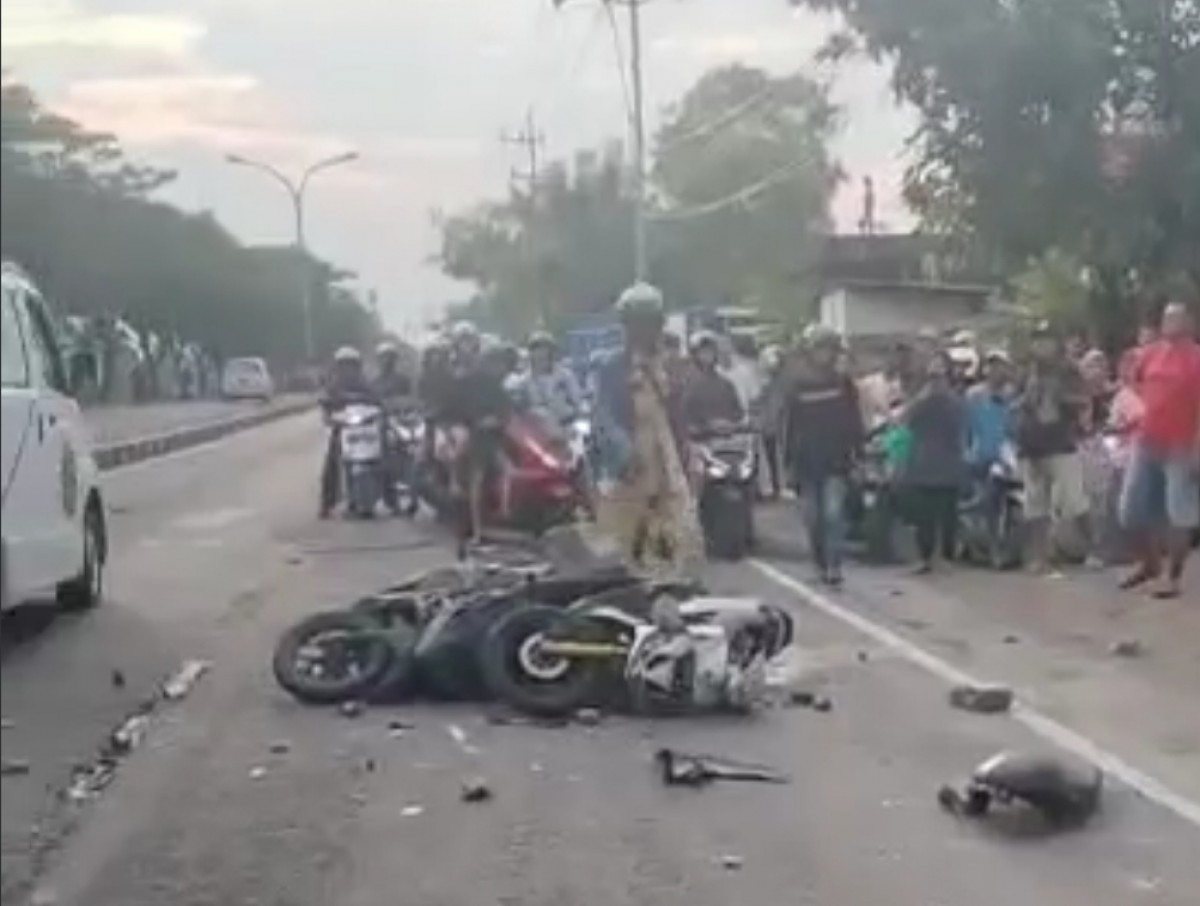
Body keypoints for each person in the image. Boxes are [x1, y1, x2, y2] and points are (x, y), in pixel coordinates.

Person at [592, 282, 702, 578]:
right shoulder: (612, 367)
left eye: (649, 323)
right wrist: (624, 452)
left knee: (678, 535)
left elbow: (682, 412)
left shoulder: (672, 366)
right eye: (635, 325)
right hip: (630, 462)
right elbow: (603, 416)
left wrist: (689, 452)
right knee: (624, 542)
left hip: (669, 458)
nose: (643, 332)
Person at [1118, 301, 1200, 599]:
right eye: (1168, 317)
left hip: (1181, 445)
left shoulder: (1196, 359)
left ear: (1190, 322)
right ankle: (1149, 563)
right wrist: (1146, 407)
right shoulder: (1151, 353)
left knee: (1179, 515)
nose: (1171, 322)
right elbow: (1134, 380)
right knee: (1130, 511)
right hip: (1147, 440)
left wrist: (1197, 448)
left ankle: (1173, 576)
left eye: (1178, 317)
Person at [783, 325, 865, 586]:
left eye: (829, 349)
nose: (825, 354)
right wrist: (788, 464)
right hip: (806, 463)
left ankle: (834, 565)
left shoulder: (843, 384)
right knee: (813, 518)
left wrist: (858, 457)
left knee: (833, 514)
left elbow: (854, 423)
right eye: (820, 348)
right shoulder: (798, 385)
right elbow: (790, 426)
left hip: (836, 462)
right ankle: (820, 561)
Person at [1013, 322, 1090, 572]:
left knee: (1074, 501)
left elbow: (1083, 400)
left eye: (1047, 340)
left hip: (1061, 442)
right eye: (1037, 340)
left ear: (1056, 344)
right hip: (1031, 444)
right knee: (1035, 504)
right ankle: (1040, 557)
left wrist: (1060, 399)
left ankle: (1094, 550)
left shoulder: (1068, 370)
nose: (1042, 345)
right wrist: (1024, 403)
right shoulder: (1026, 371)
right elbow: (1015, 401)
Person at [442, 324, 512, 541]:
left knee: (509, 469)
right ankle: (478, 530)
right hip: (472, 434)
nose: (468, 348)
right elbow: (453, 408)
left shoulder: (490, 380)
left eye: (471, 343)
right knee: (476, 481)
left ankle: (505, 512)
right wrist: (474, 422)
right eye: (464, 343)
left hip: (494, 436)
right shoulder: (454, 376)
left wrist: (497, 419)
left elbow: (505, 406)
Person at [903, 351, 967, 574]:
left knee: (947, 513)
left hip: (947, 463)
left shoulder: (955, 400)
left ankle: (947, 556)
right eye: (933, 376)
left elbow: (959, 425)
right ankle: (925, 557)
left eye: (940, 375)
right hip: (923, 461)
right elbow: (907, 419)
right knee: (924, 516)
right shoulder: (919, 399)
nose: (936, 381)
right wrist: (924, 397)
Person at [318, 346, 377, 518]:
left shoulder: (365, 383)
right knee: (331, 463)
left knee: (384, 454)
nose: (347, 369)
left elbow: (376, 399)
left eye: (350, 365)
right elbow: (325, 402)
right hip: (342, 429)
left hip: (364, 430)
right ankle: (326, 504)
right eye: (343, 365)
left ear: (357, 366)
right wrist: (328, 413)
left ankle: (389, 496)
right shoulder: (333, 385)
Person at [682, 331, 744, 436]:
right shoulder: (688, 385)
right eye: (703, 351)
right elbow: (686, 417)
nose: (708, 355)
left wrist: (728, 422)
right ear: (695, 355)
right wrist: (708, 425)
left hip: (728, 441)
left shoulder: (726, 384)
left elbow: (738, 412)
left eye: (710, 351)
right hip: (701, 443)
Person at [524, 331, 586, 426]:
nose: (540, 353)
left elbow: (577, 402)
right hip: (537, 429)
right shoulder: (524, 380)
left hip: (566, 424)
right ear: (531, 354)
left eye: (544, 349)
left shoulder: (565, 375)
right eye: (536, 349)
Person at [758, 345, 788, 499]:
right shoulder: (764, 382)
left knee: (777, 455)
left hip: (778, 423)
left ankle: (780, 485)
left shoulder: (784, 380)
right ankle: (773, 486)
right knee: (769, 456)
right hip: (767, 424)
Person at [723, 333, 764, 419]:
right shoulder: (751, 367)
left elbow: (756, 398)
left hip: (741, 420)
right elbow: (756, 397)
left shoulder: (747, 369)